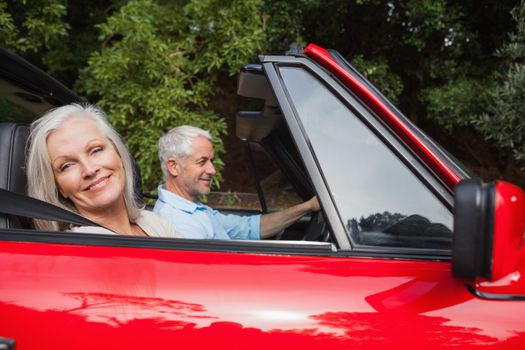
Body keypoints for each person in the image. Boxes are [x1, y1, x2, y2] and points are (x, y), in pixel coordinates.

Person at [26, 103, 182, 238]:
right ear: (59, 188)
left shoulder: (153, 222)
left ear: (119, 154)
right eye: (67, 165)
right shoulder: (79, 247)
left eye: (96, 150)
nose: (89, 169)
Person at [154, 125, 320, 240]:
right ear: (174, 167)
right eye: (202, 161)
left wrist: (308, 206)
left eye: (211, 161)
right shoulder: (178, 223)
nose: (212, 170)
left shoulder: (193, 209)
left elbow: (249, 228)